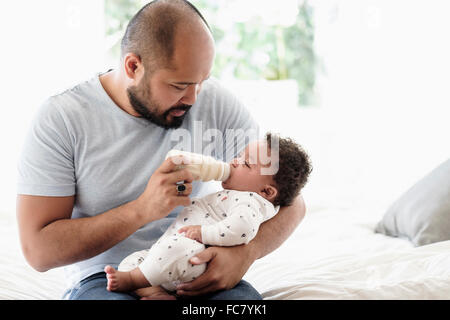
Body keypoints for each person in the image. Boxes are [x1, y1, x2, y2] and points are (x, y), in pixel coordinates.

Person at [16, 0, 307, 300]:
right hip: (107, 278)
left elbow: (290, 201)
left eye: (201, 82)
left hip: (195, 268)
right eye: (179, 85)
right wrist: (143, 209)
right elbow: (38, 251)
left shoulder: (214, 101)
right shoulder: (62, 118)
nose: (194, 98)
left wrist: (247, 253)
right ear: (133, 66)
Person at [104, 133, 312, 300]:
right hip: (172, 257)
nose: (234, 162)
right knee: (135, 259)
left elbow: (241, 230)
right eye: (239, 155)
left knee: (177, 249)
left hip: (196, 259)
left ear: (267, 192)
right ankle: (154, 291)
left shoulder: (251, 202)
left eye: (246, 164)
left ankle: (134, 280)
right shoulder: (237, 194)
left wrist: (204, 233)